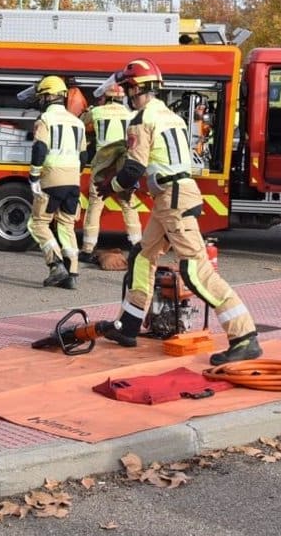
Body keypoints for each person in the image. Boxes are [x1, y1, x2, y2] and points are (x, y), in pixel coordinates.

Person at [99, 58, 261, 365]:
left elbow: (133, 168)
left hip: (173, 198)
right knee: (142, 256)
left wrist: (112, 187)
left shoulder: (142, 120)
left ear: (137, 88)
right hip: (171, 197)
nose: (126, 94)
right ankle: (129, 326)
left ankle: (244, 336)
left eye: (128, 87)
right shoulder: (170, 116)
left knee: (195, 269)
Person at [27, 75, 86, 289]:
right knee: (66, 224)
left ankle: (55, 264)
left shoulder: (45, 121)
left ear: (50, 96)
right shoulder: (78, 122)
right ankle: (72, 273)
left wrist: (34, 175)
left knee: (38, 223)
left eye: (42, 96)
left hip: (51, 178)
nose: (40, 101)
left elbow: (40, 149)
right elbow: (84, 157)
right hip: (73, 180)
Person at [79, 84, 141, 265]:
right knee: (128, 205)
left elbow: (80, 122)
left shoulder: (97, 112)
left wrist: (88, 111)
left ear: (106, 98)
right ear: (122, 98)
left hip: (103, 165)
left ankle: (87, 249)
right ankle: (136, 245)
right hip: (123, 165)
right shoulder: (131, 115)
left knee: (95, 207)